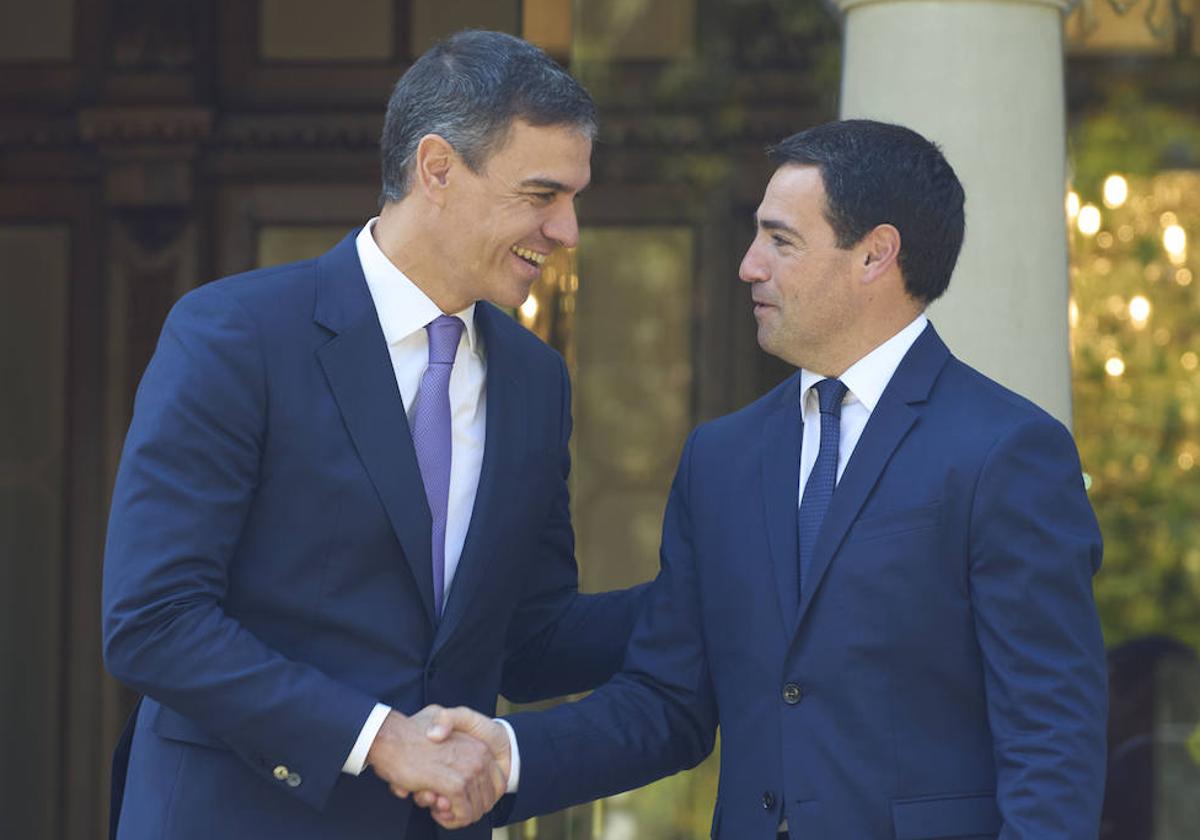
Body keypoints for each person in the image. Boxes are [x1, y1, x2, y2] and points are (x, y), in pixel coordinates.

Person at [425, 119, 1109, 837]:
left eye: (781, 241)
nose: (750, 265)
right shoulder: (721, 458)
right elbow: (665, 703)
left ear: (875, 254)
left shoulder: (1008, 451)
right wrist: (504, 756)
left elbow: (1052, 743)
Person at [102, 29, 646, 840]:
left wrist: (717, 590)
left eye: (573, 198)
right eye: (542, 195)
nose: (567, 230)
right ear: (436, 169)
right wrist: (382, 740)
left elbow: (527, 639)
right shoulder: (234, 335)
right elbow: (153, 619)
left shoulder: (536, 381)